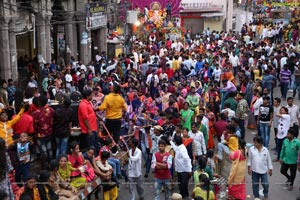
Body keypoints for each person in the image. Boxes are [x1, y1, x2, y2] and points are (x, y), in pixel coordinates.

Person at [97, 82, 127, 152]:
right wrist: (123, 115)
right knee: (116, 135)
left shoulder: (108, 97)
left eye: (112, 87)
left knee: (106, 135)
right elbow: (125, 109)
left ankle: (106, 148)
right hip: (118, 120)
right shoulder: (121, 98)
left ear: (113, 90)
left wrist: (95, 109)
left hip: (110, 120)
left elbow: (102, 107)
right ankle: (114, 150)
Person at [31, 95, 55, 168]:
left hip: (40, 135)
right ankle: (51, 165)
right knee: (49, 149)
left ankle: (45, 167)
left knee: (44, 152)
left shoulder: (35, 113)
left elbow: (34, 126)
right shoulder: (51, 110)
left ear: (39, 102)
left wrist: (33, 134)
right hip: (50, 133)